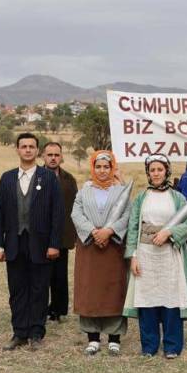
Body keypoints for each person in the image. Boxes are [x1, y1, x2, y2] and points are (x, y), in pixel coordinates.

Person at [0, 133, 64, 351]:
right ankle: (19, 332)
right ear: (17, 150)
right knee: (17, 290)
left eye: (32, 146)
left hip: (41, 245)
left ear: (37, 151)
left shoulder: (48, 178)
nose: (28, 150)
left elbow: (57, 214)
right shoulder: (6, 178)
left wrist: (54, 244)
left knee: (39, 289)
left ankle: (36, 333)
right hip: (14, 243)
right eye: (23, 146)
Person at [123, 153, 187, 359]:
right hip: (146, 255)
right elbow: (133, 227)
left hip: (169, 255)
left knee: (170, 298)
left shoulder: (178, 197)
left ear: (167, 171)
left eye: (160, 169)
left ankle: (172, 346)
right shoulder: (141, 198)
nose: (156, 173)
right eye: (152, 170)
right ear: (148, 173)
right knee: (147, 300)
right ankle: (149, 345)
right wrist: (133, 256)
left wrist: (169, 233)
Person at [71, 150, 130, 356]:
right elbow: (76, 213)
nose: (102, 171)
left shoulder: (120, 191)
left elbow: (126, 214)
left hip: (113, 248)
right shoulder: (84, 190)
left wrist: (109, 231)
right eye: (98, 167)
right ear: (93, 168)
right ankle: (93, 337)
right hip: (89, 248)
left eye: (106, 167)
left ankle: (114, 338)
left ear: (112, 168)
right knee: (89, 290)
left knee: (113, 290)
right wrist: (93, 232)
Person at [42, 142, 78, 323]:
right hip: (40, 235)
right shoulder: (36, 177)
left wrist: (73, 235)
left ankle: (58, 309)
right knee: (41, 275)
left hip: (62, 235)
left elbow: (75, 208)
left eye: (57, 154)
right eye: (50, 154)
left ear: (61, 157)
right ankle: (41, 308)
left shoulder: (69, 179)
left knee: (59, 275)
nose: (53, 158)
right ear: (43, 156)